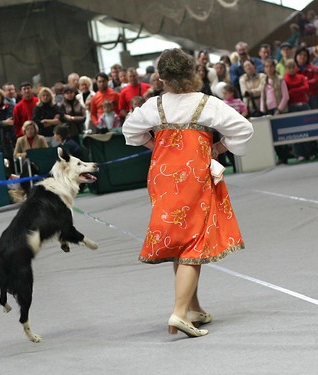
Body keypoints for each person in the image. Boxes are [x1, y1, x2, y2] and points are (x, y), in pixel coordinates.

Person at [122, 48, 253, 338]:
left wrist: (157, 147)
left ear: (161, 78)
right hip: (195, 177)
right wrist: (218, 148)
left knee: (179, 238)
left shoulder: (153, 106)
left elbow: (130, 132)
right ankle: (179, 313)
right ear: (193, 73)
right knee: (194, 243)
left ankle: (193, 308)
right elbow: (243, 130)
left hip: (163, 178)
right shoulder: (206, 104)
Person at [260, 59, 290, 164]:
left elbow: (286, 96)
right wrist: (262, 109)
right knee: (272, 134)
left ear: (274, 67)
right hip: (269, 110)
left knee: (282, 134)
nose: (269, 69)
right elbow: (262, 96)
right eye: (266, 66)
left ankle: (285, 157)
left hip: (279, 110)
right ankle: (279, 156)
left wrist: (279, 109)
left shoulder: (280, 80)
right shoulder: (264, 80)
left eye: (270, 66)